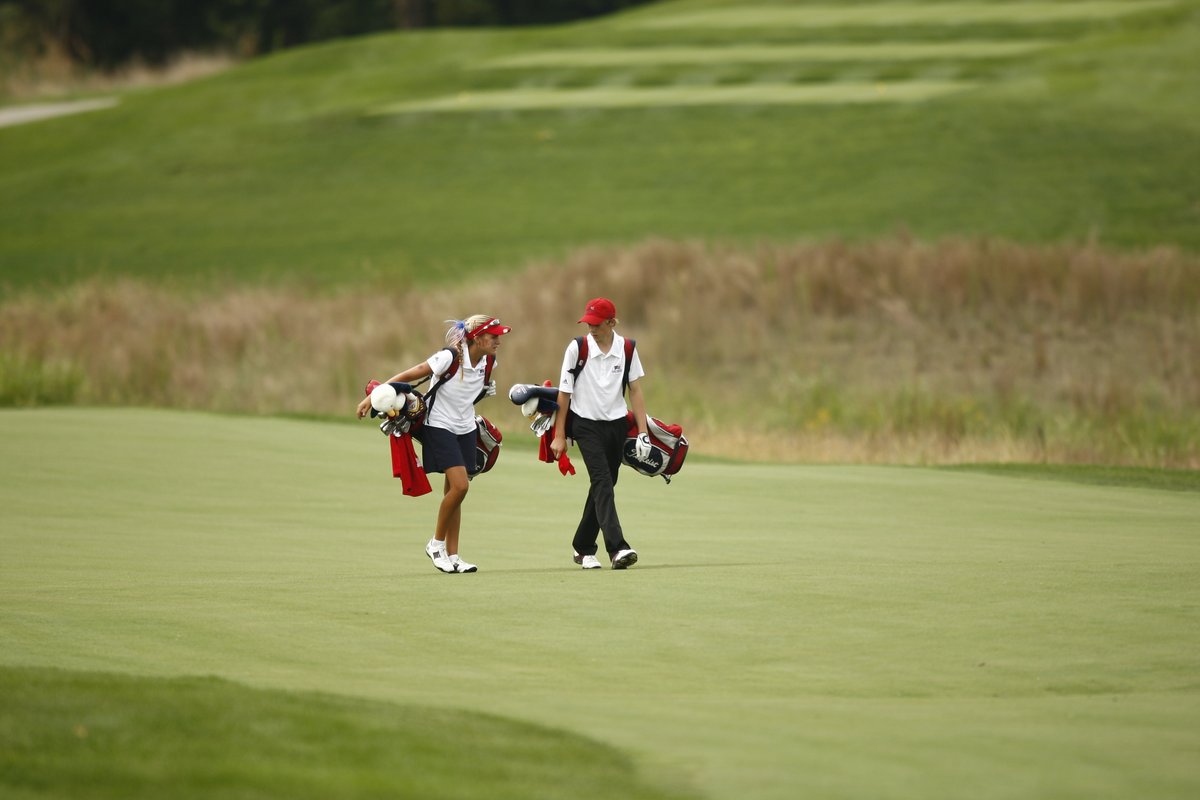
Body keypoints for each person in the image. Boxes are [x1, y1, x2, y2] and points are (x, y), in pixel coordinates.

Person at [357, 315, 510, 574]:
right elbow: (412, 373)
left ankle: (454, 555)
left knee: (455, 491)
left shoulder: (489, 362)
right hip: (439, 426)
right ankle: (436, 545)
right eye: (493, 336)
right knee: (460, 487)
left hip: (465, 427)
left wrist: (483, 391)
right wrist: (376, 395)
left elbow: (465, 394)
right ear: (477, 338)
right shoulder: (449, 357)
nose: (498, 341)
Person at [550, 297, 649, 570]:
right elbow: (564, 393)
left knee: (605, 484)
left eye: (596, 324)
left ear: (612, 323)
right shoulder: (577, 348)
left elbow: (636, 390)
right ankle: (618, 548)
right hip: (586, 425)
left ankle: (582, 547)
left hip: (616, 424)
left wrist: (643, 433)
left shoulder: (627, 348)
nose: (591, 328)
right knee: (602, 481)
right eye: (588, 323)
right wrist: (559, 435)